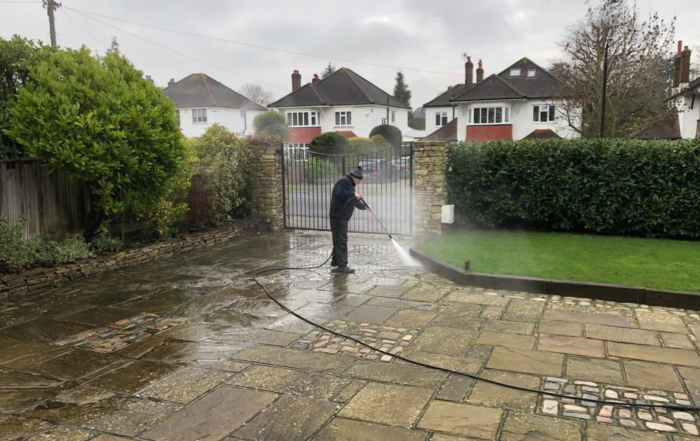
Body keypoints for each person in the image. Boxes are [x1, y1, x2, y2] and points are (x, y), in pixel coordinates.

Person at [329, 166, 371, 274]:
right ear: (355, 178)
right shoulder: (344, 182)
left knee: (338, 240)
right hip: (339, 217)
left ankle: (336, 262)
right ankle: (342, 266)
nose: (359, 182)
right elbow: (340, 193)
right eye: (359, 180)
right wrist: (353, 194)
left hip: (341, 216)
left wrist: (364, 207)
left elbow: (353, 201)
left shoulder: (349, 184)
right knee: (341, 241)